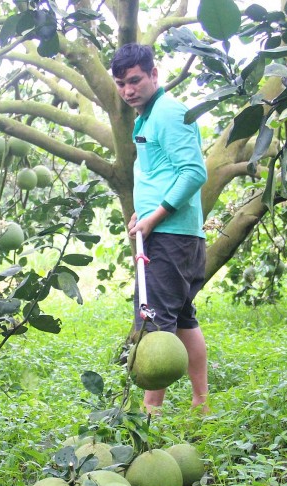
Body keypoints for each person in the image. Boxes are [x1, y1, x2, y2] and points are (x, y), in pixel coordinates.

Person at [111, 43, 209, 415]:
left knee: (154, 323)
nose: (128, 90)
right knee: (183, 319)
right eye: (121, 84)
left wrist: (154, 218)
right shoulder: (149, 116)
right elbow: (162, 174)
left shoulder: (168, 112)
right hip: (177, 234)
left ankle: (149, 417)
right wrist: (143, 212)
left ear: (154, 74)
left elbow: (194, 173)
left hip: (170, 236)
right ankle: (202, 406)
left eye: (135, 80)